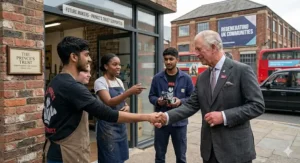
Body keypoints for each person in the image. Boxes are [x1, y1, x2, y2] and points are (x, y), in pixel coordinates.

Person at [42, 36, 160, 163]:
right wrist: (148, 117)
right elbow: (107, 113)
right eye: (86, 55)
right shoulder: (73, 87)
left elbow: (45, 116)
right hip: (66, 154)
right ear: (74, 57)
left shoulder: (56, 81)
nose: (90, 59)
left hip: (53, 148)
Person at [155, 30, 265, 163]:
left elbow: (257, 105)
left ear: (213, 47)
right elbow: (191, 105)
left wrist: (224, 116)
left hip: (235, 151)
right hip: (209, 151)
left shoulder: (242, 70)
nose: (196, 54)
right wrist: (166, 117)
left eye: (199, 49)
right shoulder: (202, 77)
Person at [94, 53, 145, 163]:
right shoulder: (100, 82)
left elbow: (121, 101)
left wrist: (127, 106)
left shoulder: (119, 81)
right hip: (107, 127)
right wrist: (129, 92)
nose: (118, 67)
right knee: (109, 158)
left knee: (120, 159)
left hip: (120, 126)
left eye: (119, 64)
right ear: (106, 66)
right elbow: (109, 102)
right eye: (115, 64)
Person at [149, 47, 194, 163]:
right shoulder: (157, 78)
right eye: (166, 59)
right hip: (161, 121)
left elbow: (193, 98)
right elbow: (151, 96)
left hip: (179, 122)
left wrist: (180, 101)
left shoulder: (186, 78)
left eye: (171, 59)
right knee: (159, 155)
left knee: (181, 156)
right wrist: (157, 101)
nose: (168, 62)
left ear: (177, 59)